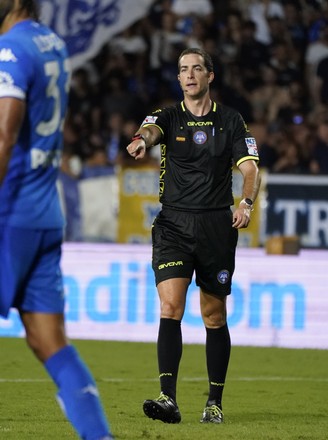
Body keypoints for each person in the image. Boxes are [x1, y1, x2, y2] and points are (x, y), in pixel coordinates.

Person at [126, 47, 261, 425]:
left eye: (196, 69)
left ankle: (214, 403)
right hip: (174, 225)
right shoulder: (169, 116)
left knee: (213, 315)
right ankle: (167, 398)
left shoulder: (231, 121)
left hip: (217, 227)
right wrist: (141, 140)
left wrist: (246, 203)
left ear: (209, 76)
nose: (189, 75)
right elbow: (150, 129)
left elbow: (250, 168)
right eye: (183, 69)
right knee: (170, 307)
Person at [0, 2, 114, 439]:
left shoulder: (11, 50)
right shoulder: (53, 45)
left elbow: (5, 133)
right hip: (46, 212)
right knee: (47, 340)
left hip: (12, 213)